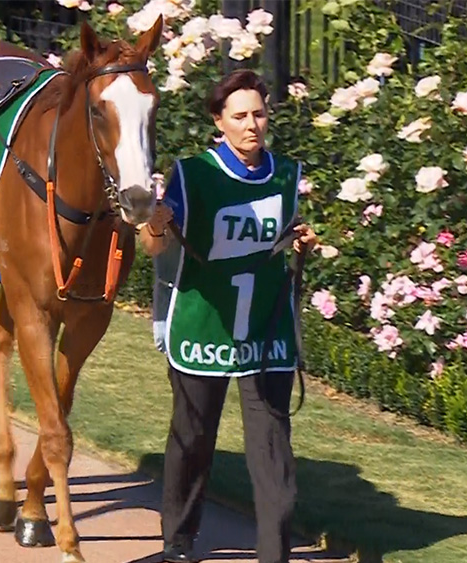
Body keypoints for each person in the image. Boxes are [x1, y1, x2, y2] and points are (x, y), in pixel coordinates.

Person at [139, 69, 318, 563]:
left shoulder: (286, 174)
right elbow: (153, 245)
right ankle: (178, 542)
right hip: (203, 327)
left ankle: (273, 555)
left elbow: (285, 234)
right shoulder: (191, 175)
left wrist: (301, 241)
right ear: (219, 121)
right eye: (239, 116)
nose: (251, 125)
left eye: (258, 113)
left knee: (271, 449)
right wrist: (155, 224)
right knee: (193, 440)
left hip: (265, 332)